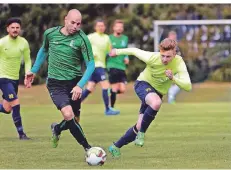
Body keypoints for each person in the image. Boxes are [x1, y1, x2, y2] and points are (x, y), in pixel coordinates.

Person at [108, 38, 192, 157]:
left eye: (168, 56)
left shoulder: (179, 62)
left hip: (157, 92)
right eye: (162, 55)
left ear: (175, 53)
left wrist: (173, 78)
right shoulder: (152, 57)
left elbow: (188, 86)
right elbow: (134, 50)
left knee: (139, 124)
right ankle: (141, 134)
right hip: (143, 84)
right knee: (156, 103)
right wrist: (117, 51)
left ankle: (115, 146)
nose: (164, 59)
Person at [25, 9, 95, 151]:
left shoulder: (82, 39)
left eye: (79, 24)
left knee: (74, 119)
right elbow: (44, 50)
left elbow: (91, 65)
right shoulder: (50, 34)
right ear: (65, 19)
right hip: (55, 83)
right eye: (73, 22)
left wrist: (80, 85)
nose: (75, 26)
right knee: (68, 114)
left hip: (74, 82)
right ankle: (88, 148)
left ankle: (57, 128)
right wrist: (34, 70)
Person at [0, 17, 31, 140]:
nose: (15, 30)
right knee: (16, 103)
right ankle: (21, 134)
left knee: (7, 108)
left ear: (20, 29)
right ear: (8, 29)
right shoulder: (2, 42)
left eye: (17, 27)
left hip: (14, 79)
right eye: (12, 27)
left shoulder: (23, 42)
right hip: (3, 77)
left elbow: (28, 60)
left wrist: (28, 73)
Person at [81, 20, 120, 115]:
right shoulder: (91, 37)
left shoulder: (107, 38)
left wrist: (114, 53)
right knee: (106, 85)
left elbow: (109, 51)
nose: (101, 27)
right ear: (95, 27)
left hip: (100, 65)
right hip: (95, 65)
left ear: (105, 27)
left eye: (102, 26)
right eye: (99, 26)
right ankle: (107, 109)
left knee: (90, 88)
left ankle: (74, 103)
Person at [107, 19, 129, 109]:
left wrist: (126, 57)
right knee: (115, 87)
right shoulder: (109, 38)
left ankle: (111, 91)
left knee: (122, 89)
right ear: (114, 28)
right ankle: (111, 107)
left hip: (122, 66)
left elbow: (126, 50)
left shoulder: (125, 38)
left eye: (121, 27)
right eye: (118, 27)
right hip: (112, 65)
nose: (119, 28)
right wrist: (109, 53)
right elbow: (106, 51)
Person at [167, 31, 183, 104]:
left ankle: (171, 97)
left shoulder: (176, 47)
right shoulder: (166, 46)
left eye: (175, 37)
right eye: (172, 37)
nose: (174, 38)